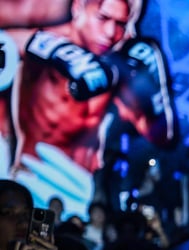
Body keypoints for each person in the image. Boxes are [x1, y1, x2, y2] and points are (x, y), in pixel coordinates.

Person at [0, 0, 178, 217]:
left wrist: (154, 89)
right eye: (103, 18)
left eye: (120, 23)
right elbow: (7, 42)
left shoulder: (122, 60)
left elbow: (163, 135)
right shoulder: (45, 41)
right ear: (78, 8)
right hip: (36, 183)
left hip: (87, 197)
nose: (111, 32)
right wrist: (59, 52)